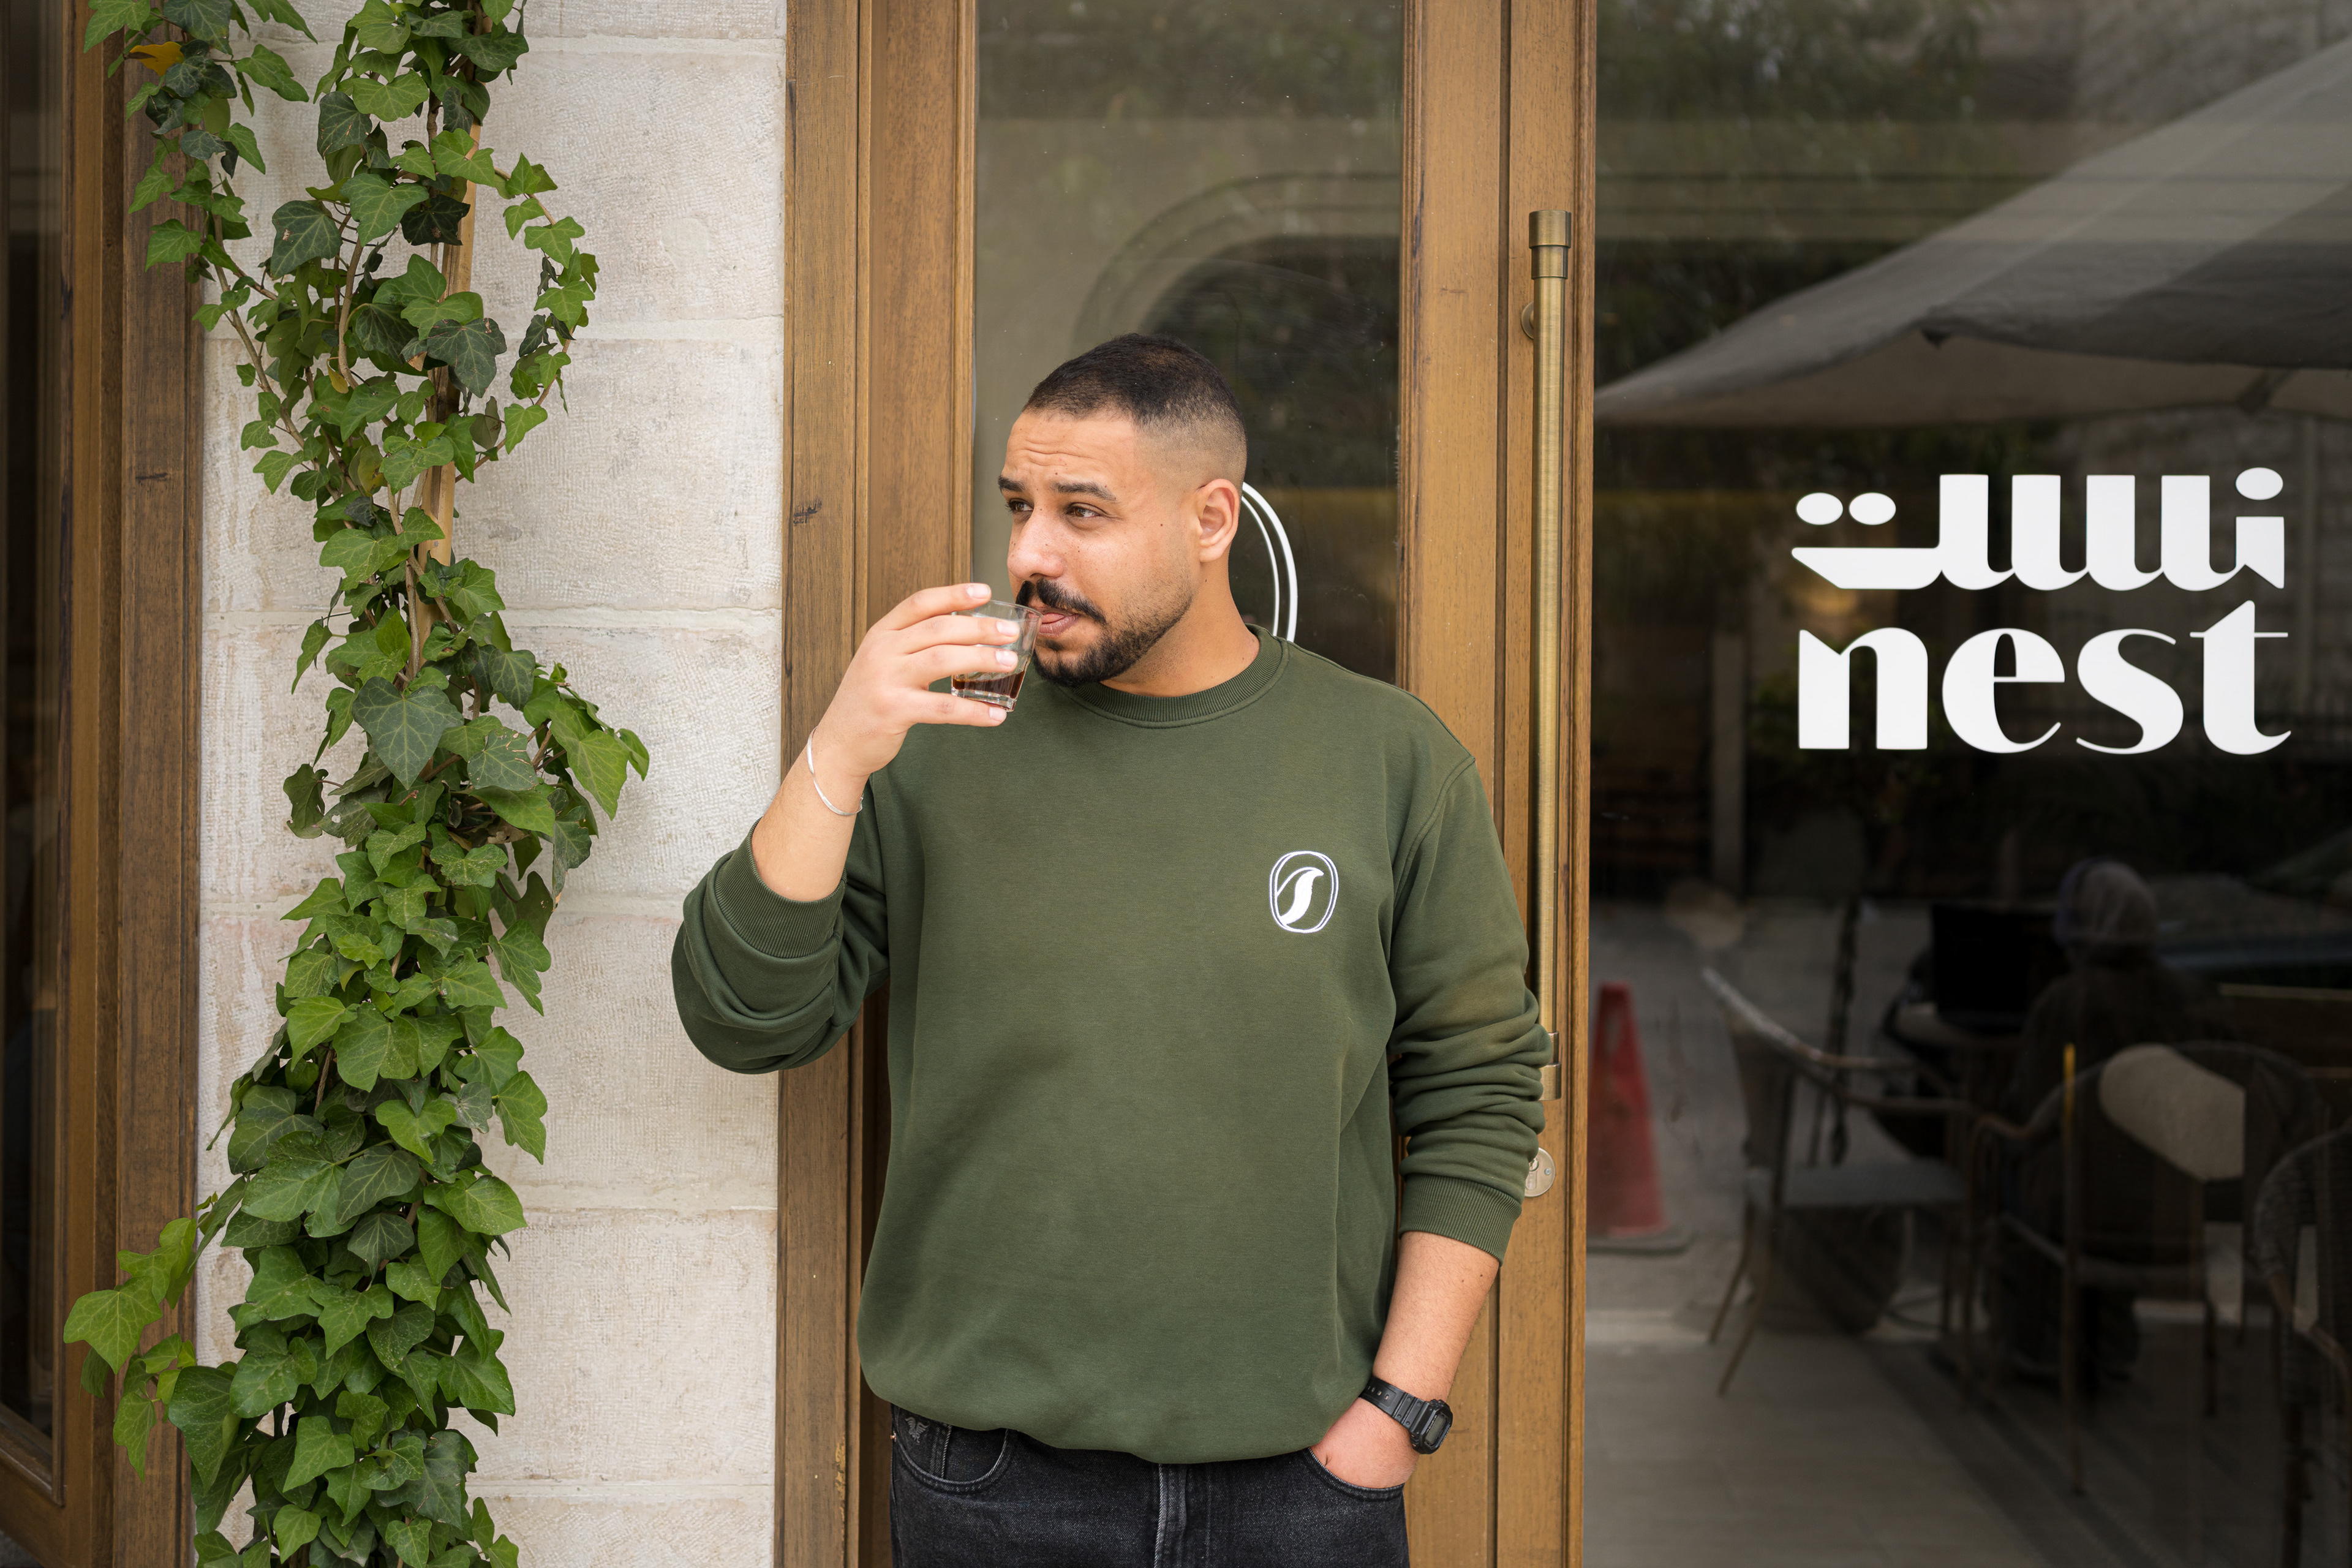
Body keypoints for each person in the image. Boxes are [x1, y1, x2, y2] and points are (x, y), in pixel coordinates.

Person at [671, 334, 1547, 1566]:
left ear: (1211, 517)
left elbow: (1483, 1088)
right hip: (991, 1487)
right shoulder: (936, 742)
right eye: (1019, 508)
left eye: (1082, 512)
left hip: (1301, 1489)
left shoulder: (1390, 759)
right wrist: (840, 751)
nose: (1031, 554)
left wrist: (1401, 1408)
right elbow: (745, 1018)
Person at [1999, 858, 2231, 1382]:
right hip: (2181, 1212)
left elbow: (2030, 1113)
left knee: (2011, 1159)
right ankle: (2107, 1340)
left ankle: (2038, 1341)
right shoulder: (2195, 998)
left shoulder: (2067, 1002)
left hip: (2089, 1215)